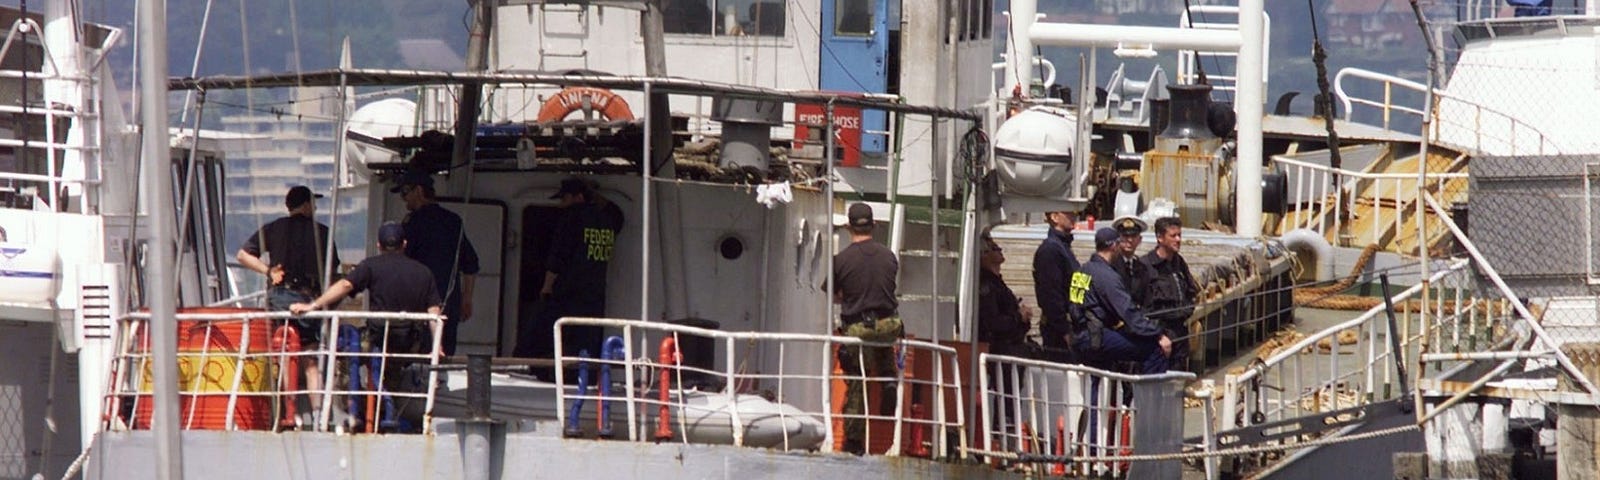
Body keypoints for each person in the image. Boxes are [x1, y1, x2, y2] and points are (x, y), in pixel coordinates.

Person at [290, 222, 443, 429]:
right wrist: (437, 346)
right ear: (404, 244)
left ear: (379, 245)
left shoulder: (371, 266)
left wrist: (313, 305)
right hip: (408, 343)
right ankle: (384, 414)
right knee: (390, 376)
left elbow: (345, 285)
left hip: (376, 338)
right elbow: (434, 313)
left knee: (345, 357)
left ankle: (355, 410)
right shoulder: (424, 272)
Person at [516, 177, 622, 370]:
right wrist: (594, 194)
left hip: (567, 291)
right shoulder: (608, 219)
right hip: (595, 292)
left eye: (564, 198)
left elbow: (558, 256)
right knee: (587, 339)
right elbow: (616, 213)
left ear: (577, 197)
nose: (561, 203)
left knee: (544, 331)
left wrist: (546, 287)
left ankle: (523, 367)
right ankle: (584, 375)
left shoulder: (571, 217)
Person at [831, 202, 902, 455]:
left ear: (849, 227)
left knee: (857, 381)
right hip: (889, 324)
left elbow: (833, 294)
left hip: (859, 327)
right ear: (874, 225)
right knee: (882, 341)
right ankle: (888, 380)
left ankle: (853, 441)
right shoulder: (889, 256)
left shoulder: (841, 260)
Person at [237, 185, 341, 343]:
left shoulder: (274, 228)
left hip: (278, 297)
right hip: (308, 298)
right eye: (313, 204)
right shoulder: (322, 232)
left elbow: (243, 255)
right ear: (306, 206)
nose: (315, 208)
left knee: (282, 344)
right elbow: (332, 272)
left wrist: (269, 271)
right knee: (309, 350)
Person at [392, 171, 480, 357]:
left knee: (416, 354)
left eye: (405, 193)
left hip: (418, 302)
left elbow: (401, 262)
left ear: (419, 191)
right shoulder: (453, 221)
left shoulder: (412, 223)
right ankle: (440, 384)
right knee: (444, 354)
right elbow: (471, 264)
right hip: (449, 302)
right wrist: (467, 298)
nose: (404, 199)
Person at [1068, 228, 1171, 373]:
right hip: (1096, 338)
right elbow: (1128, 312)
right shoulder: (1107, 276)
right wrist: (1157, 333)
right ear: (1114, 246)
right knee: (1155, 348)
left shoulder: (1082, 270)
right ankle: (1149, 395)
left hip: (1079, 335)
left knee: (1098, 378)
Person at [977, 232, 1032, 431]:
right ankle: (1003, 426)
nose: (999, 249)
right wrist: (1019, 317)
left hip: (1012, 348)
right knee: (1006, 392)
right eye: (994, 248)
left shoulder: (996, 282)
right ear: (983, 255)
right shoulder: (987, 286)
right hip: (1001, 351)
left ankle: (1008, 422)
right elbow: (992, 323)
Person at [1142, 217, 1199, 372]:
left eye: (1179, 235)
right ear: (1160, 238)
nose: (1178, 239)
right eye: (1173, 236)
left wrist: (1187, 311)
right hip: (1158, 336)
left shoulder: (1179, 263)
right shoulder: (1146, 267)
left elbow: (1191, 292)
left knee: (1178, 384)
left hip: (1179, 333)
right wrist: (1158, 335)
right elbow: (1140, 308)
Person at [1032, 210, 1080, 362]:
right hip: (1058, 330)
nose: (1074, 216)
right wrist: (1064, 329)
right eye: (1069, 213)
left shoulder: (1063, 247)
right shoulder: (1050, 250)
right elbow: (1050, 294)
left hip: (1070, 323)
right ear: (1054, 217)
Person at [1109, 215, 1155, 309]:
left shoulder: (1142, 268)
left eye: (1133, 236)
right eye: (1125, 236)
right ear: (1117, 238)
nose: (1129, 240)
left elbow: (1146, 299)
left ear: (1140, 240)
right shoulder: (1110, 265)